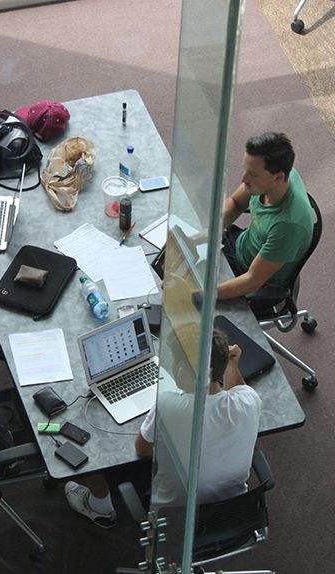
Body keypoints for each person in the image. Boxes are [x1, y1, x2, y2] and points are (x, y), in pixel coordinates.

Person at [64, 329, 261, 528]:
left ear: (183, 370)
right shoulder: (250, 401)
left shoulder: (167, 406)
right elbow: (239, 390)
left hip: (175, 519)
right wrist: (230, 365)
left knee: (105, 460)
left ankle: (99, 505)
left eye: (175, 362)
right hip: (232, 509)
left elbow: (142, 449)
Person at [218, 132, 314, 305]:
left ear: (278, 177)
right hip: (240, 245)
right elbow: (236, 203)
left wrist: (202, 294)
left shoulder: (288, 225)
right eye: (245, 170)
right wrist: (208, 232)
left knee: (190, 309)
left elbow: (251, 280)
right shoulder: (275, 178)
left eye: (252, 174)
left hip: (256, 282)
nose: (244, 179)